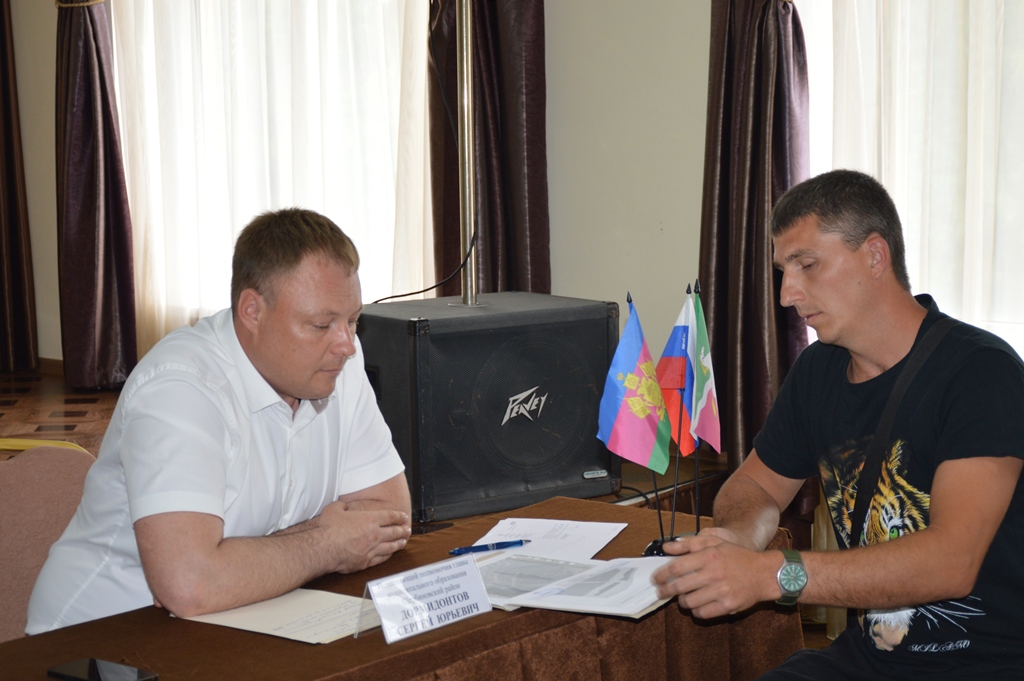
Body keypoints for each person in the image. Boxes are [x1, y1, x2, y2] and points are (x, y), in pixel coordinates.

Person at [651, 170, 1024, 679]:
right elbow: (756, 485)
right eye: (783, 270)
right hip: (871, 656)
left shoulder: (981, 371)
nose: (787, 294)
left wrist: (771, 574)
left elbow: (951, 562)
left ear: (875, 256)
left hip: (988, 662)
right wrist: (739, 538)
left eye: (807, 265)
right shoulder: (818, 370)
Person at [27, 208, 412, 633]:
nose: (346, 344)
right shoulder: (180, 387)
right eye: (321, 324)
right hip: (101, 635)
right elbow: (191, 585)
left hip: (241, 619)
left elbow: (391, 515)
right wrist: (326, 542)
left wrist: (239, 564)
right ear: (252, 311)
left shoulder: (337, 365)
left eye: (352, 320)